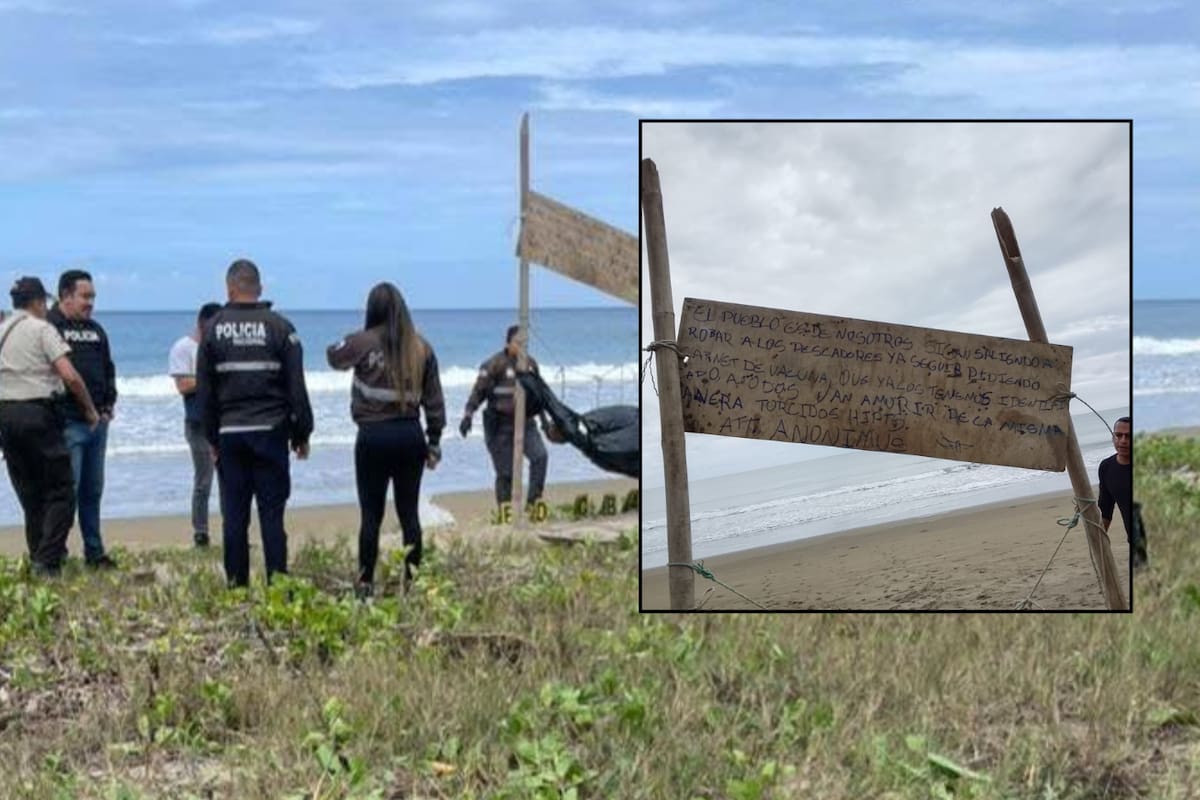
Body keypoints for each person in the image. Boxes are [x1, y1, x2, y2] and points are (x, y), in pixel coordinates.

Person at [196, 260, 313, 588]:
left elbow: (205, 394)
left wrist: (212, 439)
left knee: (234, 517)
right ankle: (278, 586)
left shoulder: (213, 330)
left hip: (230, 435)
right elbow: (296, 388)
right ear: (259, 288)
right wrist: (302, 433)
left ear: (229, 288)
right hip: (271, 433)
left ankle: (237, 587)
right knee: (272, 515)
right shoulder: (281, 328)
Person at [327, 282, 445, 597]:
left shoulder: (362, 342)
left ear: (372, 310)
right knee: (409, 515)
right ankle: (411, 584)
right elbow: (434, 400)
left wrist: (355, 340)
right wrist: (434, 442)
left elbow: (333, 357)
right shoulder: (422, 347)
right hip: (410, 436)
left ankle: (365, 586)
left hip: (373, 437)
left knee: (371, 516)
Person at [0, 277, 99, 576]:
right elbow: (69, 375)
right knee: (62, 491)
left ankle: (38, 556)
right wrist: (89, 409)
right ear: (37, 302)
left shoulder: (3, 329)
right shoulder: (42, 329)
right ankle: (48, 561)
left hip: (6, 415)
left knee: (30, 495)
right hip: (37, 414)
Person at [47, 269, 119, 569]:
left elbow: (108, 369)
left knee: (93, 490)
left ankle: (95, 551)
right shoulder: (51, 327)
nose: (90, 303)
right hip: (68, 422)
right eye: (84, 296)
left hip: (97, 423)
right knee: (68, 492)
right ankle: (56, 552)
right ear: (65, 295)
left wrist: (108, 404)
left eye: (93, 297)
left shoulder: (96, 330)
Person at [459, 324, 548, 510]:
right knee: (506, 472)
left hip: (526, 423)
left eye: (525, 343)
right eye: (518, 343)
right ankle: (505, 512)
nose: (522, 347)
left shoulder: (531, 364)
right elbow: (477, 393)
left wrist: (545, 422)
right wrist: (468, 416)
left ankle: (532, 505)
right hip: (500, 426)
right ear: (508, 343)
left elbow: (538, 396)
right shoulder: (493, 364)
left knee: (540, 457)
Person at [168, 302, 223, 547]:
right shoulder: (183, 347)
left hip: (223, 420)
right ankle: (201, 532)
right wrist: (210, 378)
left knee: (231, 478)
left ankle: (233, 528)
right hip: (198, 422)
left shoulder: (220, 345)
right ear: (202, 323)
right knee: (204, 479)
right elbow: (183, 385)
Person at [1098, 416, 1140, 568]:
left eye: (1128, 436)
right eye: (1118, 435)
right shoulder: (1106, 467)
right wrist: (1099, 541)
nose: (1123, 441)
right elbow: (1105, 508)